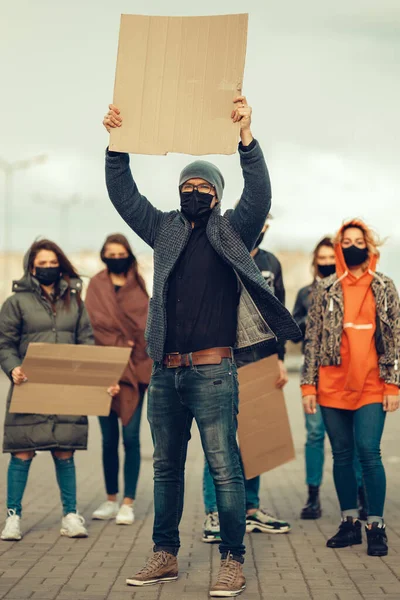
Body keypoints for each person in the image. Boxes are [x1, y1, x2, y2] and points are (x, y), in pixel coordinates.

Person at [103, 97, 301, 597]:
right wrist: (116, 146)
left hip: (215, 372)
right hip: (166, 372)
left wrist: (246, 140)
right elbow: (124, 196)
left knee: (224, 468)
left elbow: (258, 192)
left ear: (215, 195)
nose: (192, 192)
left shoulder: (232, 229)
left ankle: (232, 561)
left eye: (201, 187)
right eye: (185, 186)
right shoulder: (164, 229)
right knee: (165, 468)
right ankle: (164, 556)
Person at [0, 239, 119, 541]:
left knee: (65, 452)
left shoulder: (75, 302)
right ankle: (13, 517)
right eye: (43, 264)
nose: (49, 268)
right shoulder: (15, 303)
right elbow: (5, 343)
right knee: (22, 452)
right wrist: (12, 367)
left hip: (66, 388)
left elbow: (87, 344)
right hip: (28, 385)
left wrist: (98, 380)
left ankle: (70, 515)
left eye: (54, 263)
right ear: (31, 267)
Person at [301, 220, 400, 557]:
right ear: (339, 246)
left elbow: (395, 340)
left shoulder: (385, 286)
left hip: (372, 385)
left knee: (368, 452)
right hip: (331, 385)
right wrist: (307, 387)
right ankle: (349, 524)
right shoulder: (326, 289)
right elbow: (311, 340)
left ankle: (376, 526)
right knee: (341, 455)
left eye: (359, 241)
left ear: (369, 247)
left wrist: (393, 384)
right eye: (347, 240)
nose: (353, 245)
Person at [202, 217, 290, 544]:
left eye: (267, 221)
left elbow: (279, 313)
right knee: (220, 440)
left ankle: (251, 508)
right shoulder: (219, 255)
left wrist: (279, 359)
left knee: (258, 439)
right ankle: (214, 512)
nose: (262, 225)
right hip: (225, 359)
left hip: (263, 360)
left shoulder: (271, 263)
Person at [293, 236, 366, 520]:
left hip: (348, 374)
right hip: (314, 371)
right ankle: (313, 497)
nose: (324, 264)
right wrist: (311, 318)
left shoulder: (350, 289)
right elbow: (294, 330)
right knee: (314, 434)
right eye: (320, 260)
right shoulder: (304, 293)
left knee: (353, 439)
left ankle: (361, 494)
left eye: (329, 259)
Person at [85, 234, 152, 526]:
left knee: (132, 437)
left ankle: (129, 502)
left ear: (128, 255)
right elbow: (90, 325)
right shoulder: (96, 285)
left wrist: (131, 350)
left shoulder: (139, 285)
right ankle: (111, 498)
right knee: (108, 439)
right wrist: (115, 345)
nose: (115, 257)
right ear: (103, 255)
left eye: (120, 252)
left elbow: (148, 326)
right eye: (109, 253)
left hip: (136, 370)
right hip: (103, 370)